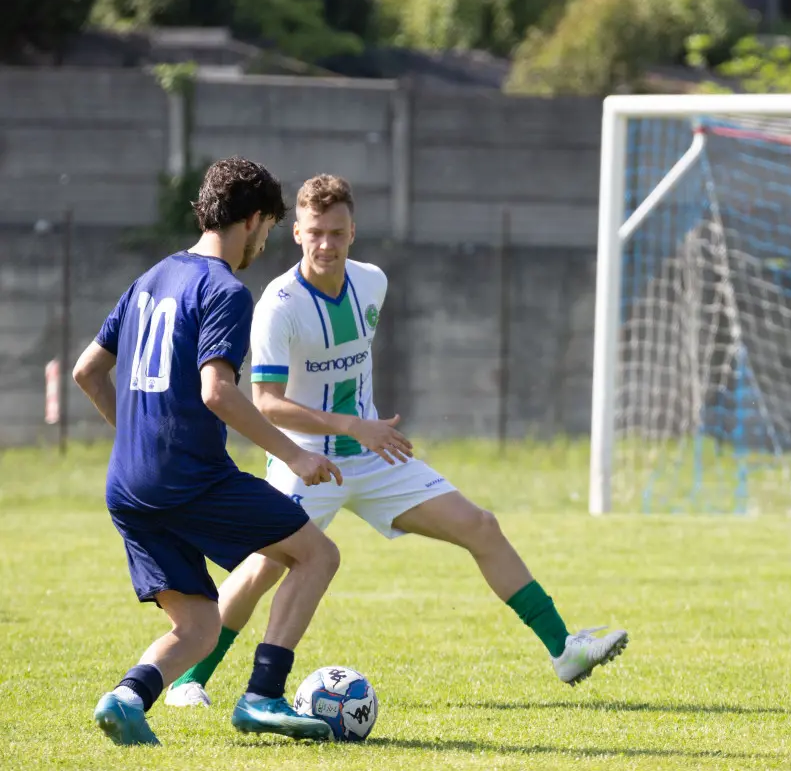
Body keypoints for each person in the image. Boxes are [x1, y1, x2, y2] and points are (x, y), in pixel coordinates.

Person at [164, 174, 628, 709]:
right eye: (315, 232)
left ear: (353, 231)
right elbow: (266, 401)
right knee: (265, 566)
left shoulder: (372, 283)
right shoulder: (278, 305)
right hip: (307, 463)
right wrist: (352, 425)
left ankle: (564, 649)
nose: (326, 244)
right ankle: (188, 679)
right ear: (295, 233)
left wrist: (364, 428)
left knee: (481, 525)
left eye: (337, 232)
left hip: (375, 456)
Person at [73, 157, 345, 746]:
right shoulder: (224, 290)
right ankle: (263, 695)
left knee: (198, 626)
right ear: (251, 221)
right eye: (269, 229)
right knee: (317, 555)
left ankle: (126, 698)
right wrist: (295, 457)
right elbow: (217, 391)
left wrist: (136, 440)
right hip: (189, 479)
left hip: (128, 484)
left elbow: (88, 371)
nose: (264, 242)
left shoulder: (152, 277)